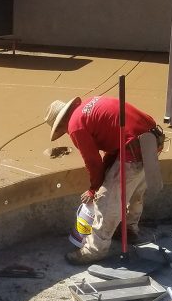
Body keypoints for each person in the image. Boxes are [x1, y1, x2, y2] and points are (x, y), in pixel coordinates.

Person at [46, 95, 163, 265]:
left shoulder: (75, 125)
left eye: (62, 130)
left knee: (106, 201)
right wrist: (105, 174)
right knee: (135, 190)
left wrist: (94, 189)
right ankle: (128, 229)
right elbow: (114, 142)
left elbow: (92, 162)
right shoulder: (89, 105)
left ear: (62, 123)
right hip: (151, 139)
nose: (65, 132)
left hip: (133, 147)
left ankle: (94, 250)